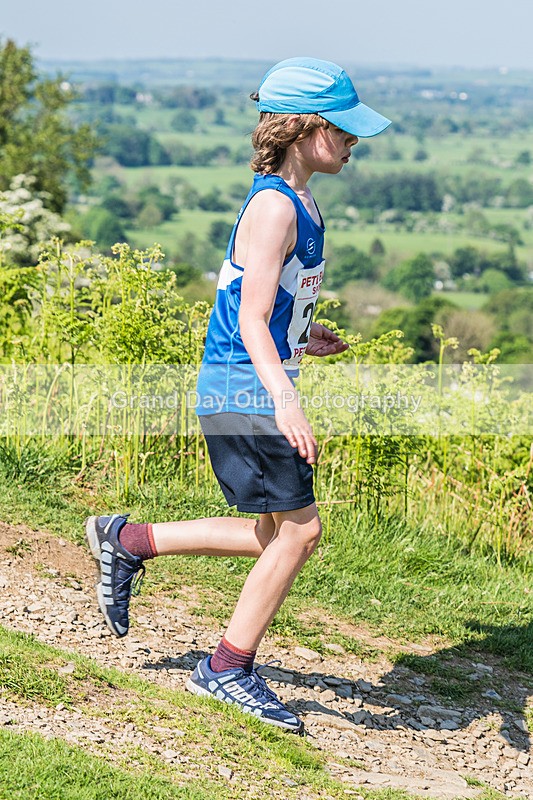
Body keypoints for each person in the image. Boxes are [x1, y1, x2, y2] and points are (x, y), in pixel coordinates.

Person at [85, 57, 391, 735]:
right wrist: (285, 396)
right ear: (305, 129)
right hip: (246, 387)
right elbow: (248, 319)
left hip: (253, 375)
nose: (352, 142)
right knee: (300, 532)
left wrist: (304, 336)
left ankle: (128, 540)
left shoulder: (297, 199)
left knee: (272, 534)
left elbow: (260, 305)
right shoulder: (275, 207)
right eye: (342, 129)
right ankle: (225, 668)